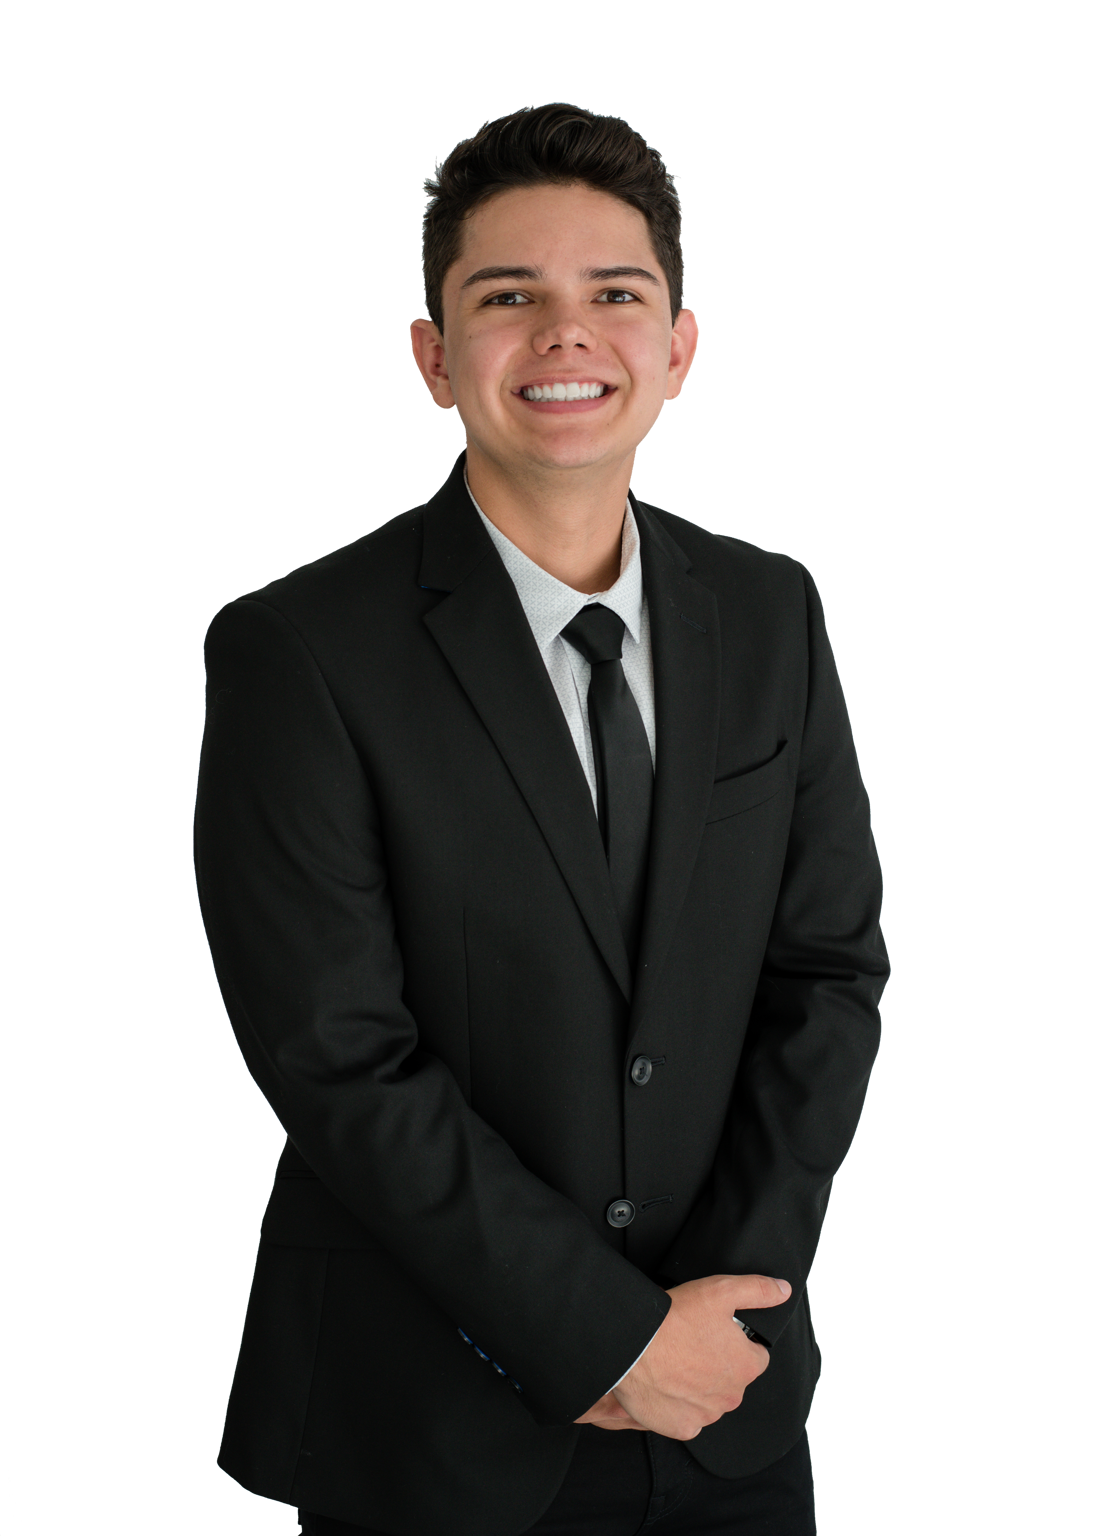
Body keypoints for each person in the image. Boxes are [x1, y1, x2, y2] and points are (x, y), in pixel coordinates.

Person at [194, 102, 888, 1536]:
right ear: (435, 357)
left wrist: (716, 1324)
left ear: (680, 349)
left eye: (615, 296)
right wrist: (603, 1336)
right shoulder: (299, 648)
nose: (567, 336)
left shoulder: (773, 612)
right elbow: (337, 1055)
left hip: (727, 1411)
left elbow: (829, 974)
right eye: (510, 298)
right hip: (432, 1425)